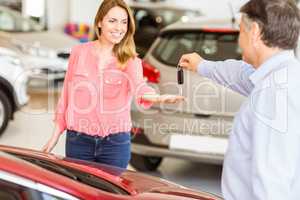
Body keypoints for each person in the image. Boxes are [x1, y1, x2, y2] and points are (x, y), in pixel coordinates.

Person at [179, 0, 300, 199]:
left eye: (240, 31)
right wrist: (202, 65)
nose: (238, 39)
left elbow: (271, 184)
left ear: (254, 32)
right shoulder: (284, 75)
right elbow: (241, 74)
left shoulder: (274, 93)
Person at [42, 0, 183, 169]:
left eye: (124, 22)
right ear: (100, 22)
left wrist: (159, 98)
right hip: (78, 141)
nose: (119, 28)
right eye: (112, 21)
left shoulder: (131, 61)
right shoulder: (79, 52)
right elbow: (66, 95)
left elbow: (140, 89)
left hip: (114, 145)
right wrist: (55, 136)